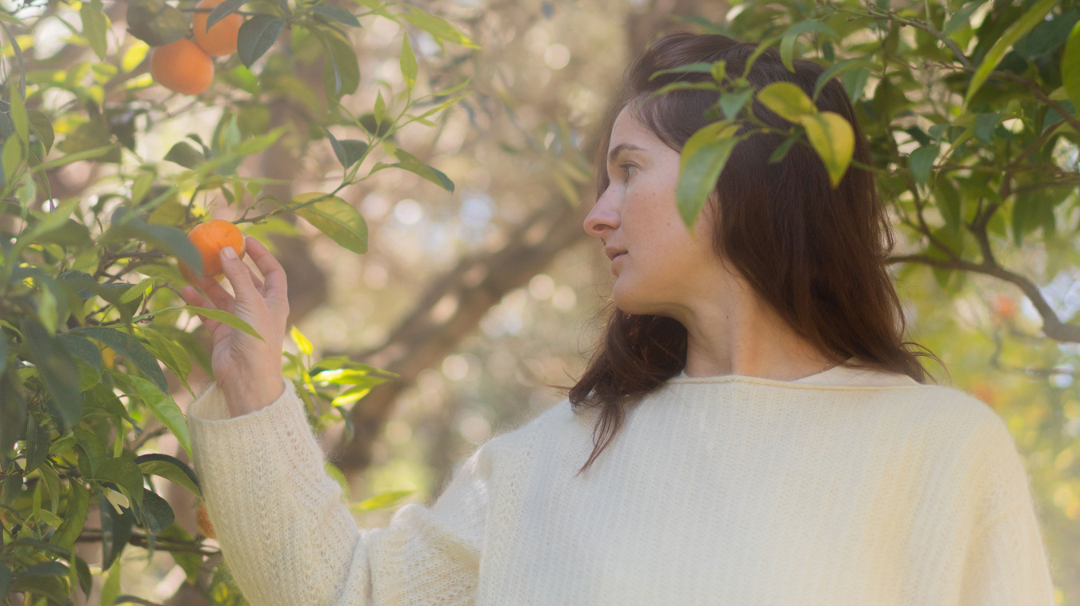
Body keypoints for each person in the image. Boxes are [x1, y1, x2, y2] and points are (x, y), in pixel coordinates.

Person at [180, 32, 1056, 605]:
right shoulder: (547, 461)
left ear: (734, 175)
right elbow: (343, 592)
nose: (597, 213)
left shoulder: (939, 448)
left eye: (628, 170)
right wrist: (255, 388)